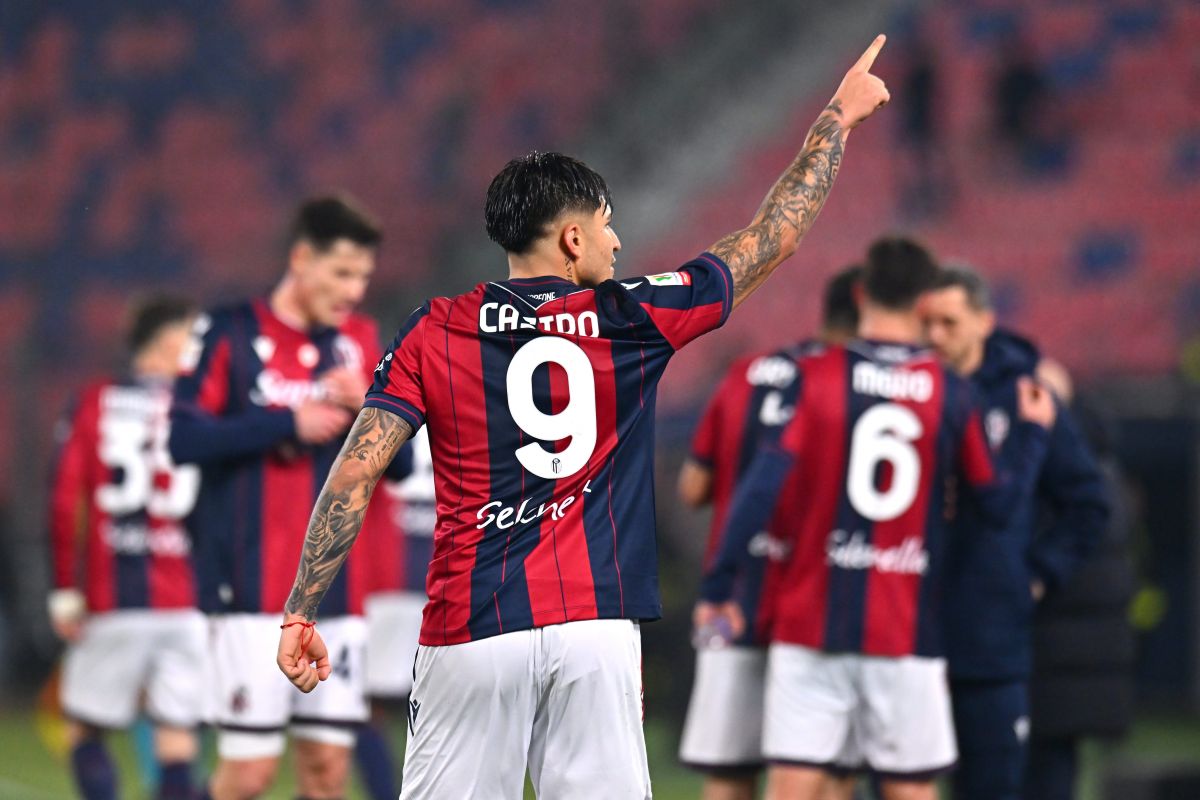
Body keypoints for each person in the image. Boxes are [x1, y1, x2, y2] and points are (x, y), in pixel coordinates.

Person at [274, 36, 892, 800]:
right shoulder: (635, 316)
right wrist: (837, 118)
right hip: (593, 629)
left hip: (472, 624)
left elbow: (357, 470)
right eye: (606, 224)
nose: (617, 239)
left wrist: (302, 608)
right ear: (572, 238)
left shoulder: (435, 328)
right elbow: (774, 235)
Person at [697, 237, 1057, 800]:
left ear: (861, 293)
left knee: (793, 783)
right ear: (923, 305)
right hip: (905, 628)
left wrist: (719, 583)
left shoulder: (812, 378)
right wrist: (1033, 433)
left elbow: (760, 488)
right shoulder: (952, 393)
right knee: (910, 790)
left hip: (810, 624)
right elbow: (1000, 506)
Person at [170, 196, 406, 800]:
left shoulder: (359, 342)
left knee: (328, 774)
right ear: (302, 258)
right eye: (342, 273)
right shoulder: (228, 331)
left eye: (362, 277)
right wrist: (283, 424)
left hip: (337, 594)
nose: (354, 291)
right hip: (250, 589)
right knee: (247, 776)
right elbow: (183, 438)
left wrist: (366, 404)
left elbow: (400, 466)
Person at [921, 268, 1109, 800]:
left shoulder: (1025, 395)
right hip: (910, 634)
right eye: (928, 323)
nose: (935, 336)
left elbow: (1087, 502)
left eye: (949, 322)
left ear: (984, 322)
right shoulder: (911, 389)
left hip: (990, 640)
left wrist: (1037, 574)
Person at [677, 265, 861, 800]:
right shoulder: (856, 384)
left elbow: (693, 487)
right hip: (818, 604)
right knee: (824, 772)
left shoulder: (746, 373)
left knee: (730, 771)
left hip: (734, 597)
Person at [48, 296, 202, 800]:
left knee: (84, 727)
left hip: (115, 599)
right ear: (163, 345)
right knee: (176, 736)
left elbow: (64, 498)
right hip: (188, 602)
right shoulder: (201, 408)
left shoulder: (95, 401)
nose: (197, 349)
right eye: (189, 337)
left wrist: (65, 588)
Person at [1023, 359, 1135, 800]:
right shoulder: (1103, 465)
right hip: (1069, 667)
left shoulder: (1063, 473)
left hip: (1048, 659)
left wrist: (1033, 576)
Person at [356, 427, 431, 800]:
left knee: (365, 706)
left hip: (384, 568)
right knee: (450, 702)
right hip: (449, 569)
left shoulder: (382, 377)